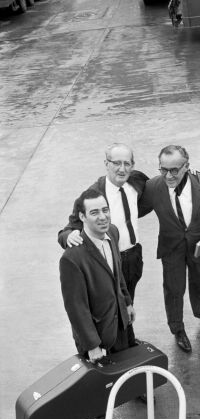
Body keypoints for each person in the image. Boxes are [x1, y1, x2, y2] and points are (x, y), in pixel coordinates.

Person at [59, 188, 135, 419]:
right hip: (96, 330)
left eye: (105, 210)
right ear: (81, 217)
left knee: (126, 360)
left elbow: (117, 274)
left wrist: (127, 301)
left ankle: (132, 391)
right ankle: (101, 416)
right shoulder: (72, 257)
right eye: (94, 212)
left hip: (120, 319)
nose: (102, 216)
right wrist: (92, 344)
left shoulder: (111, 233)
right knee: (98, 380)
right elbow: (76, 307)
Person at [58, 143, 150, 346]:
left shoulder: (137, 181)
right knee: (108, 308)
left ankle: (127, 338)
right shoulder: (94, 194)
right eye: (116, 163)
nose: (122, 169)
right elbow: (68, 228)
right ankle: (106, 345)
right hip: (107, 260)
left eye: (127, 163)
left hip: (133, 255)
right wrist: (67, 237)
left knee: (127, 301)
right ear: (106, 164)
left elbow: (145, 201)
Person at [139, 145, 200, 353]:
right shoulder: (153, 187)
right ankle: (177, 328)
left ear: (187, 166)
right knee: (174, 289)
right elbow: (131, 208)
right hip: (171, 248)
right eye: (163, 169)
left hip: (199, 246)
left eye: (174, 170)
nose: (169, 175)